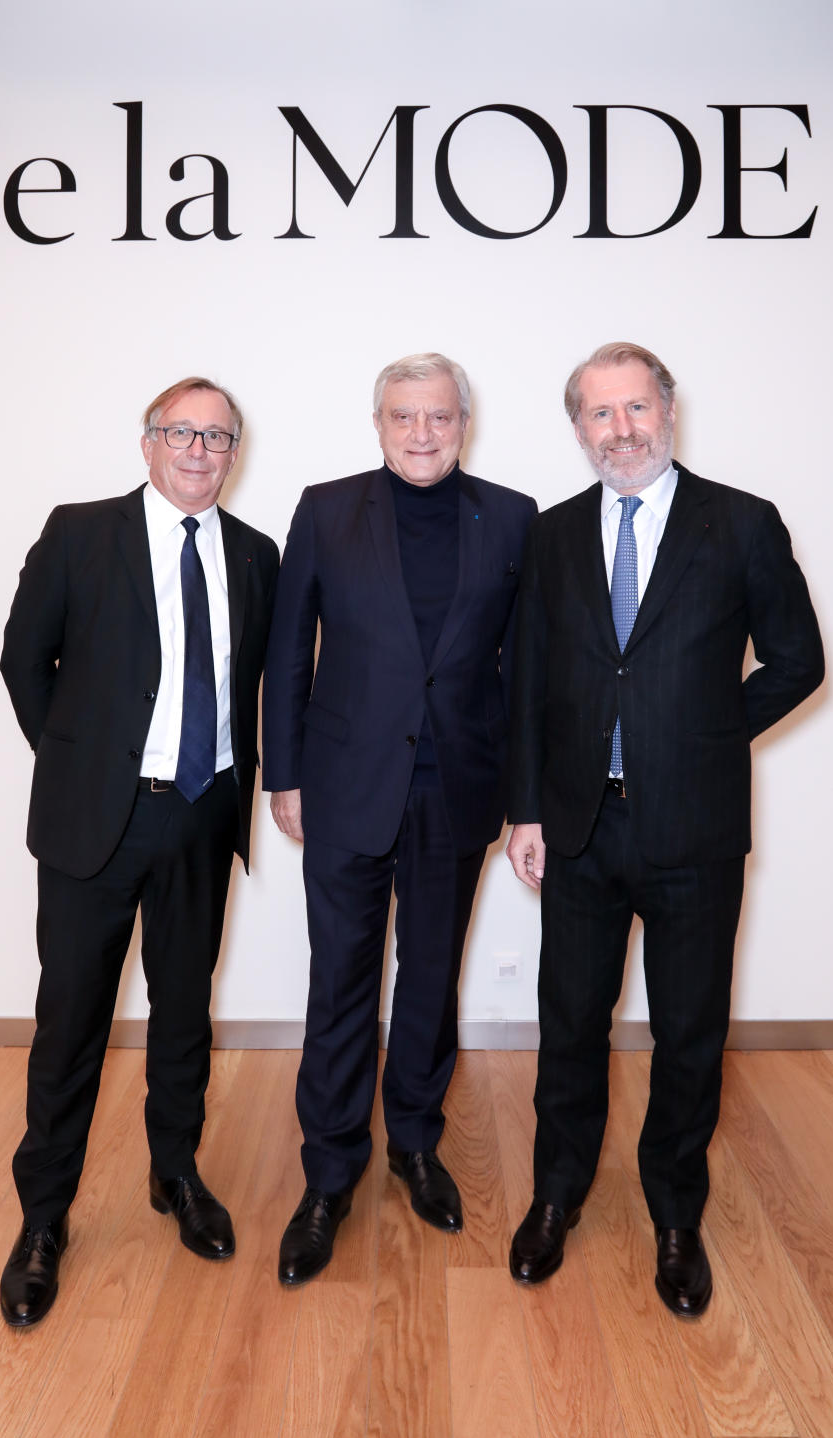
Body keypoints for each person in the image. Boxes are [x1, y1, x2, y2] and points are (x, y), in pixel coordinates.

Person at [506, 341, 823, 1317]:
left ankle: (676, 1213)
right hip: (579, 829)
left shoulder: (742, 523)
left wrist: (708, 734)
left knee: (690, 1030)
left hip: (694, 827)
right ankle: (557, 1194)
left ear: (668, 411)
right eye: (599, 414)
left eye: (635, 408)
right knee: (570, 1022)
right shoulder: (551, 536)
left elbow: (797, 659)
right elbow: (525, 683)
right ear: (579, 429)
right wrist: (522, 807)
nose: (621, 430)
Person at [0, 377, 279, 1326]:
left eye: (218, 436)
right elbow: (23, 663)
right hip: (96, 828)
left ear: (234, 452)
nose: (199, 449)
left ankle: (176, 1174)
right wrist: (84, 769)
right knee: (70, 1023)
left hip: (203, 819)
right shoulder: (80, 534)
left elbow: (258, 683)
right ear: (148, 442)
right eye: (181, 432)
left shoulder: (256, 554)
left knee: (184, 1015)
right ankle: (44, 1220)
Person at [263, 352, 537, 1284]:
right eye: (403, 418)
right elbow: (287, 646)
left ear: (465, 422)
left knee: (429, 978)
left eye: (440, 418)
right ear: (377, 424)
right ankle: (329, 1173)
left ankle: (416, 1145)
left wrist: (523, 795)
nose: (422, 435)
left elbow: (524, 672)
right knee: (339, 981)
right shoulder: (324, 509)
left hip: (456, 788)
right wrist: (284, 773)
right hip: (343, 787)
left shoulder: (511, 517)